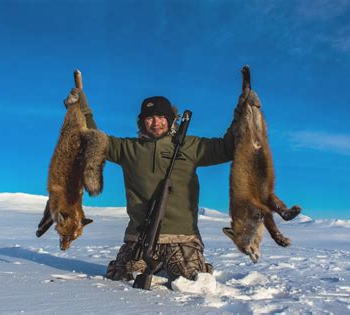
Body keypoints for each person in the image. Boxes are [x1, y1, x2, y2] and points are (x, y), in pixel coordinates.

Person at [66, 88, 241, 282]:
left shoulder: (191, 146)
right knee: (122, 277)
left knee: (191, 280)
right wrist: (81, 110)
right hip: (140, 236)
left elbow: (228, 148)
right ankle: (147, 265)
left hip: (181, 235)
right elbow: (93, 139)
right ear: (142, 122)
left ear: (171, 119)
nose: (156, 122)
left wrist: (242, 113)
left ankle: (197, 264)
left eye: (160, 116)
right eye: (149, 118)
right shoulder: (127, 148)